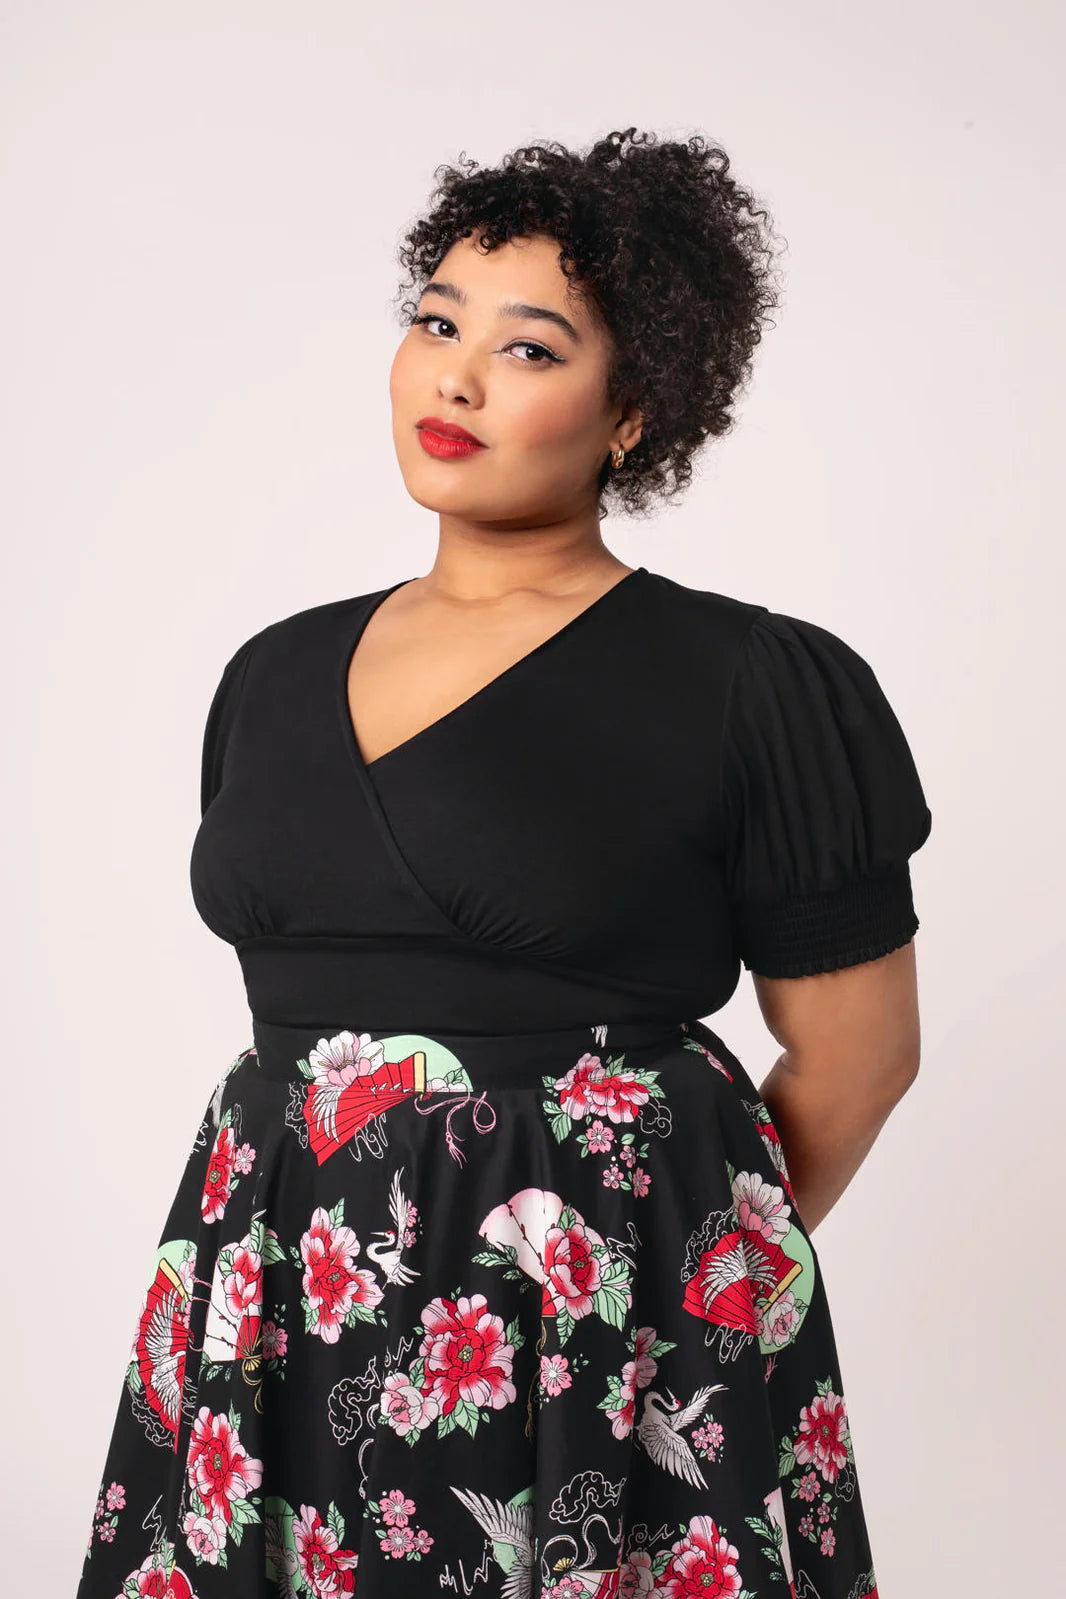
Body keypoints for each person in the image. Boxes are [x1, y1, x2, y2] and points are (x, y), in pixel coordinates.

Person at [76, 127, 930, 1599]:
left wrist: (648, 1274)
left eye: (528, 348)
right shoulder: (271, 675)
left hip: (599, 1325)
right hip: (280, 1295)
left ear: (631, 412)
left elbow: (854, 1061)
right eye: (434, 322)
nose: (454, 378)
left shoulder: (756, 681)